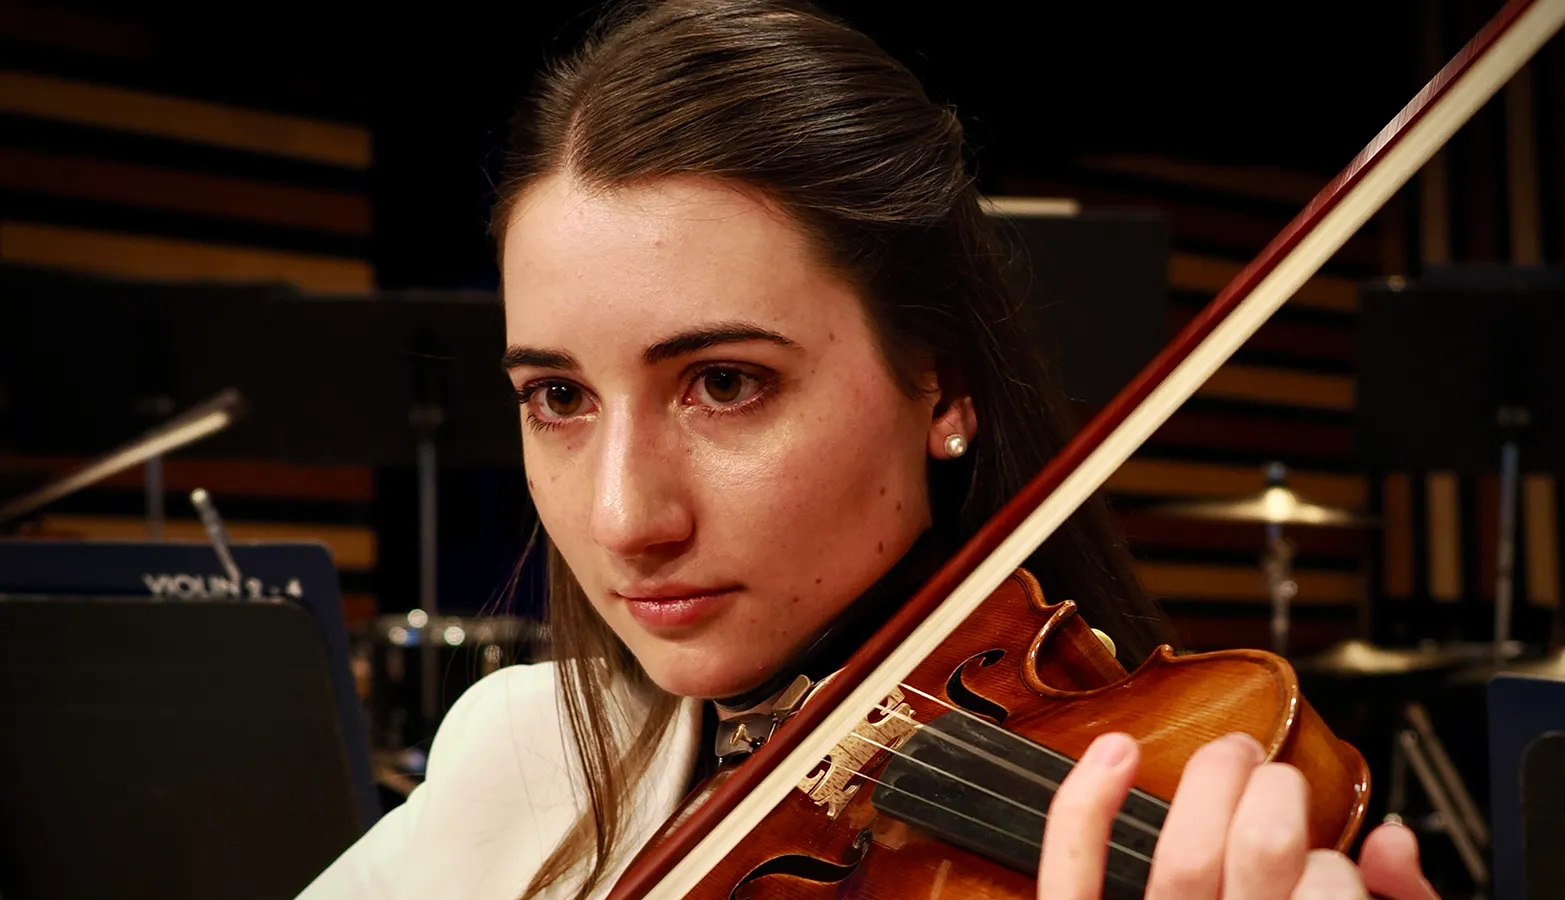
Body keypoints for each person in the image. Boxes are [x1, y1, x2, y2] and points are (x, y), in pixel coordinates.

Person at [298, 1, 1439, 897]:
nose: (625, 518)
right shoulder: (523, 751)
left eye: (725, 383)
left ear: (939, 387)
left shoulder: (1167, 787)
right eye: (558, 395)